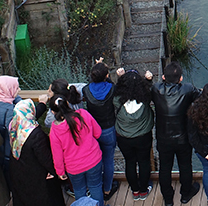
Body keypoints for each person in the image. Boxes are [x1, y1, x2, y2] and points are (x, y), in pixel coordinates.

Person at [151, 62, 201, 205]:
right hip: (183, 137)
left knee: (165, 168)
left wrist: (150, 80)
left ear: (163, 77)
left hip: (163, 137)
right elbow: (200, 96)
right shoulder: (188, 89)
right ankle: (186, 194)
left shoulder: (156, 89)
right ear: (180, 78)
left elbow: (149, 89)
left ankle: (168, 199)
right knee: (185, 165)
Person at [48, 96, 104, 206]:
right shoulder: (83, 114)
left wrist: (60, 171)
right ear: (67, 104)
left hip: (73, 167)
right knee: (96, 187)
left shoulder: (55, 129)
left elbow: (57, 154)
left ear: (53, 112)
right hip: (93, 160)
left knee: (79, 190)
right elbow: (98, 133)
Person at [9, 99, 64, 206]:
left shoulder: (14, 126)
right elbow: (45, 157)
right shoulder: (36, 134)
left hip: (19, 172)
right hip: (38, 176)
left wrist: (42, 105)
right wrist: (54, 172)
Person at [112, 70, 154, 200]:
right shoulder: (146, 97)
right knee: (144, 162)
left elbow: (117, 88)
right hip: (143, 137)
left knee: (130, 162)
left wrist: (120, 77)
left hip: (124, 138)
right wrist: (148, 80)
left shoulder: (117, 100)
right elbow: (149, 89)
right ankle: (143, 190)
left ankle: (134, 191)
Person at [81, 61, 118, 201]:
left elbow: (94, 83)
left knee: (96, 160)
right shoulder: (111, 88)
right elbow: (108, 83)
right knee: (108, 160)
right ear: (106, 76)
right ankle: (107, 189)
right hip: (108, 129)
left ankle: (95, 187)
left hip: (92, 130)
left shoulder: (86, 90)